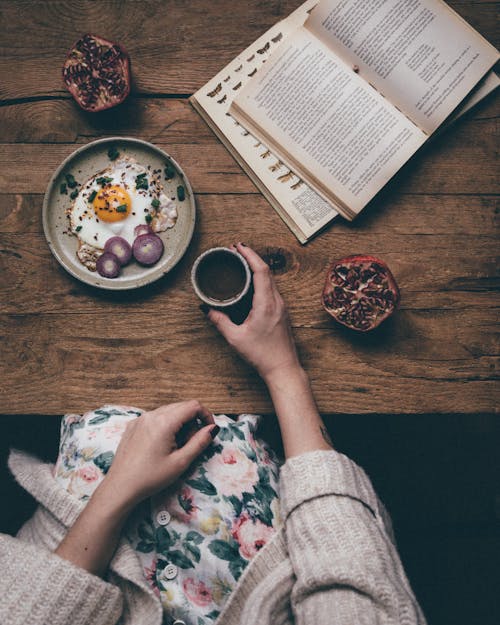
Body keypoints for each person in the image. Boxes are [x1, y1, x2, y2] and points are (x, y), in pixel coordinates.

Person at [0, 243, 427, 625]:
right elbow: (350, 571)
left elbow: (31, 607)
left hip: (77, 476)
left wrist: (117, 492)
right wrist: (284, 372)